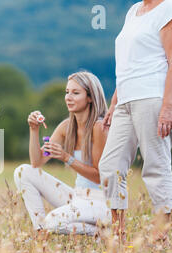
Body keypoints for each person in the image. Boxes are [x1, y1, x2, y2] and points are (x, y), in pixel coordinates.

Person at [99, 0, 172, 241]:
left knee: (155, 165)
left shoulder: (168, 8)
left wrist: (168, 106)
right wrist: (114, 102)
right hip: (125, 100)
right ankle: (118, 234)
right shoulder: (133, 11)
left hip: (152, 97)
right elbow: (127, 63)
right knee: (110, 166)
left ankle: (161, 235)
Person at [14, 71, 110, 236]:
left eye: (75, 93)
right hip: (78, 197)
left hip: (101, 202)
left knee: (52, 221)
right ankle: (41, 234)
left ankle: (103, 233)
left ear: (90, 98)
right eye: (67, 92)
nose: (68, 97)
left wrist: (67, 158)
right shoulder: (67, 127)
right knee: (23, 171)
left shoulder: (99, 128)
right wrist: (33, 129)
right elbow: (37, 162)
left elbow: (99, 177)